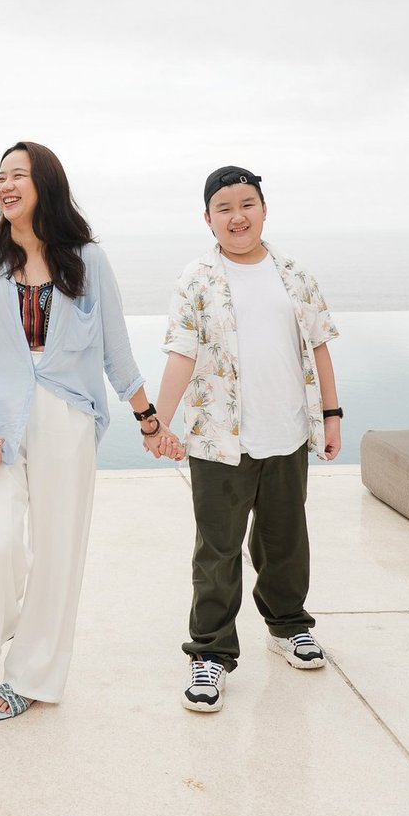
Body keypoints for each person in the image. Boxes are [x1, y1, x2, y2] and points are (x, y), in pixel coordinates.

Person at [0, 141, 180, 722]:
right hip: (1, 418)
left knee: (58, 551)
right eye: (0, 176)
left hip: (69, 415)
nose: (6, 186)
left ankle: (29, 676)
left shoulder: (88, 260)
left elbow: (115, 348)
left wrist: (147, 417)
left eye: (19, 176)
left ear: (46, 184)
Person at [152, 165, 342, 714]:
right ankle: (210, 653)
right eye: (224, 208)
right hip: (218, 441)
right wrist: (159, 423)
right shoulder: (196, 278)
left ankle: (288, 627)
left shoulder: (294, 274)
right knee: (217, 548)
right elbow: (181, 353)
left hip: (287, 430)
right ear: (207, 218)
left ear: (263, 208)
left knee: (285, 539)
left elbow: (321, 345)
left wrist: (331, 414)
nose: (237, 217)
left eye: (247, 204)